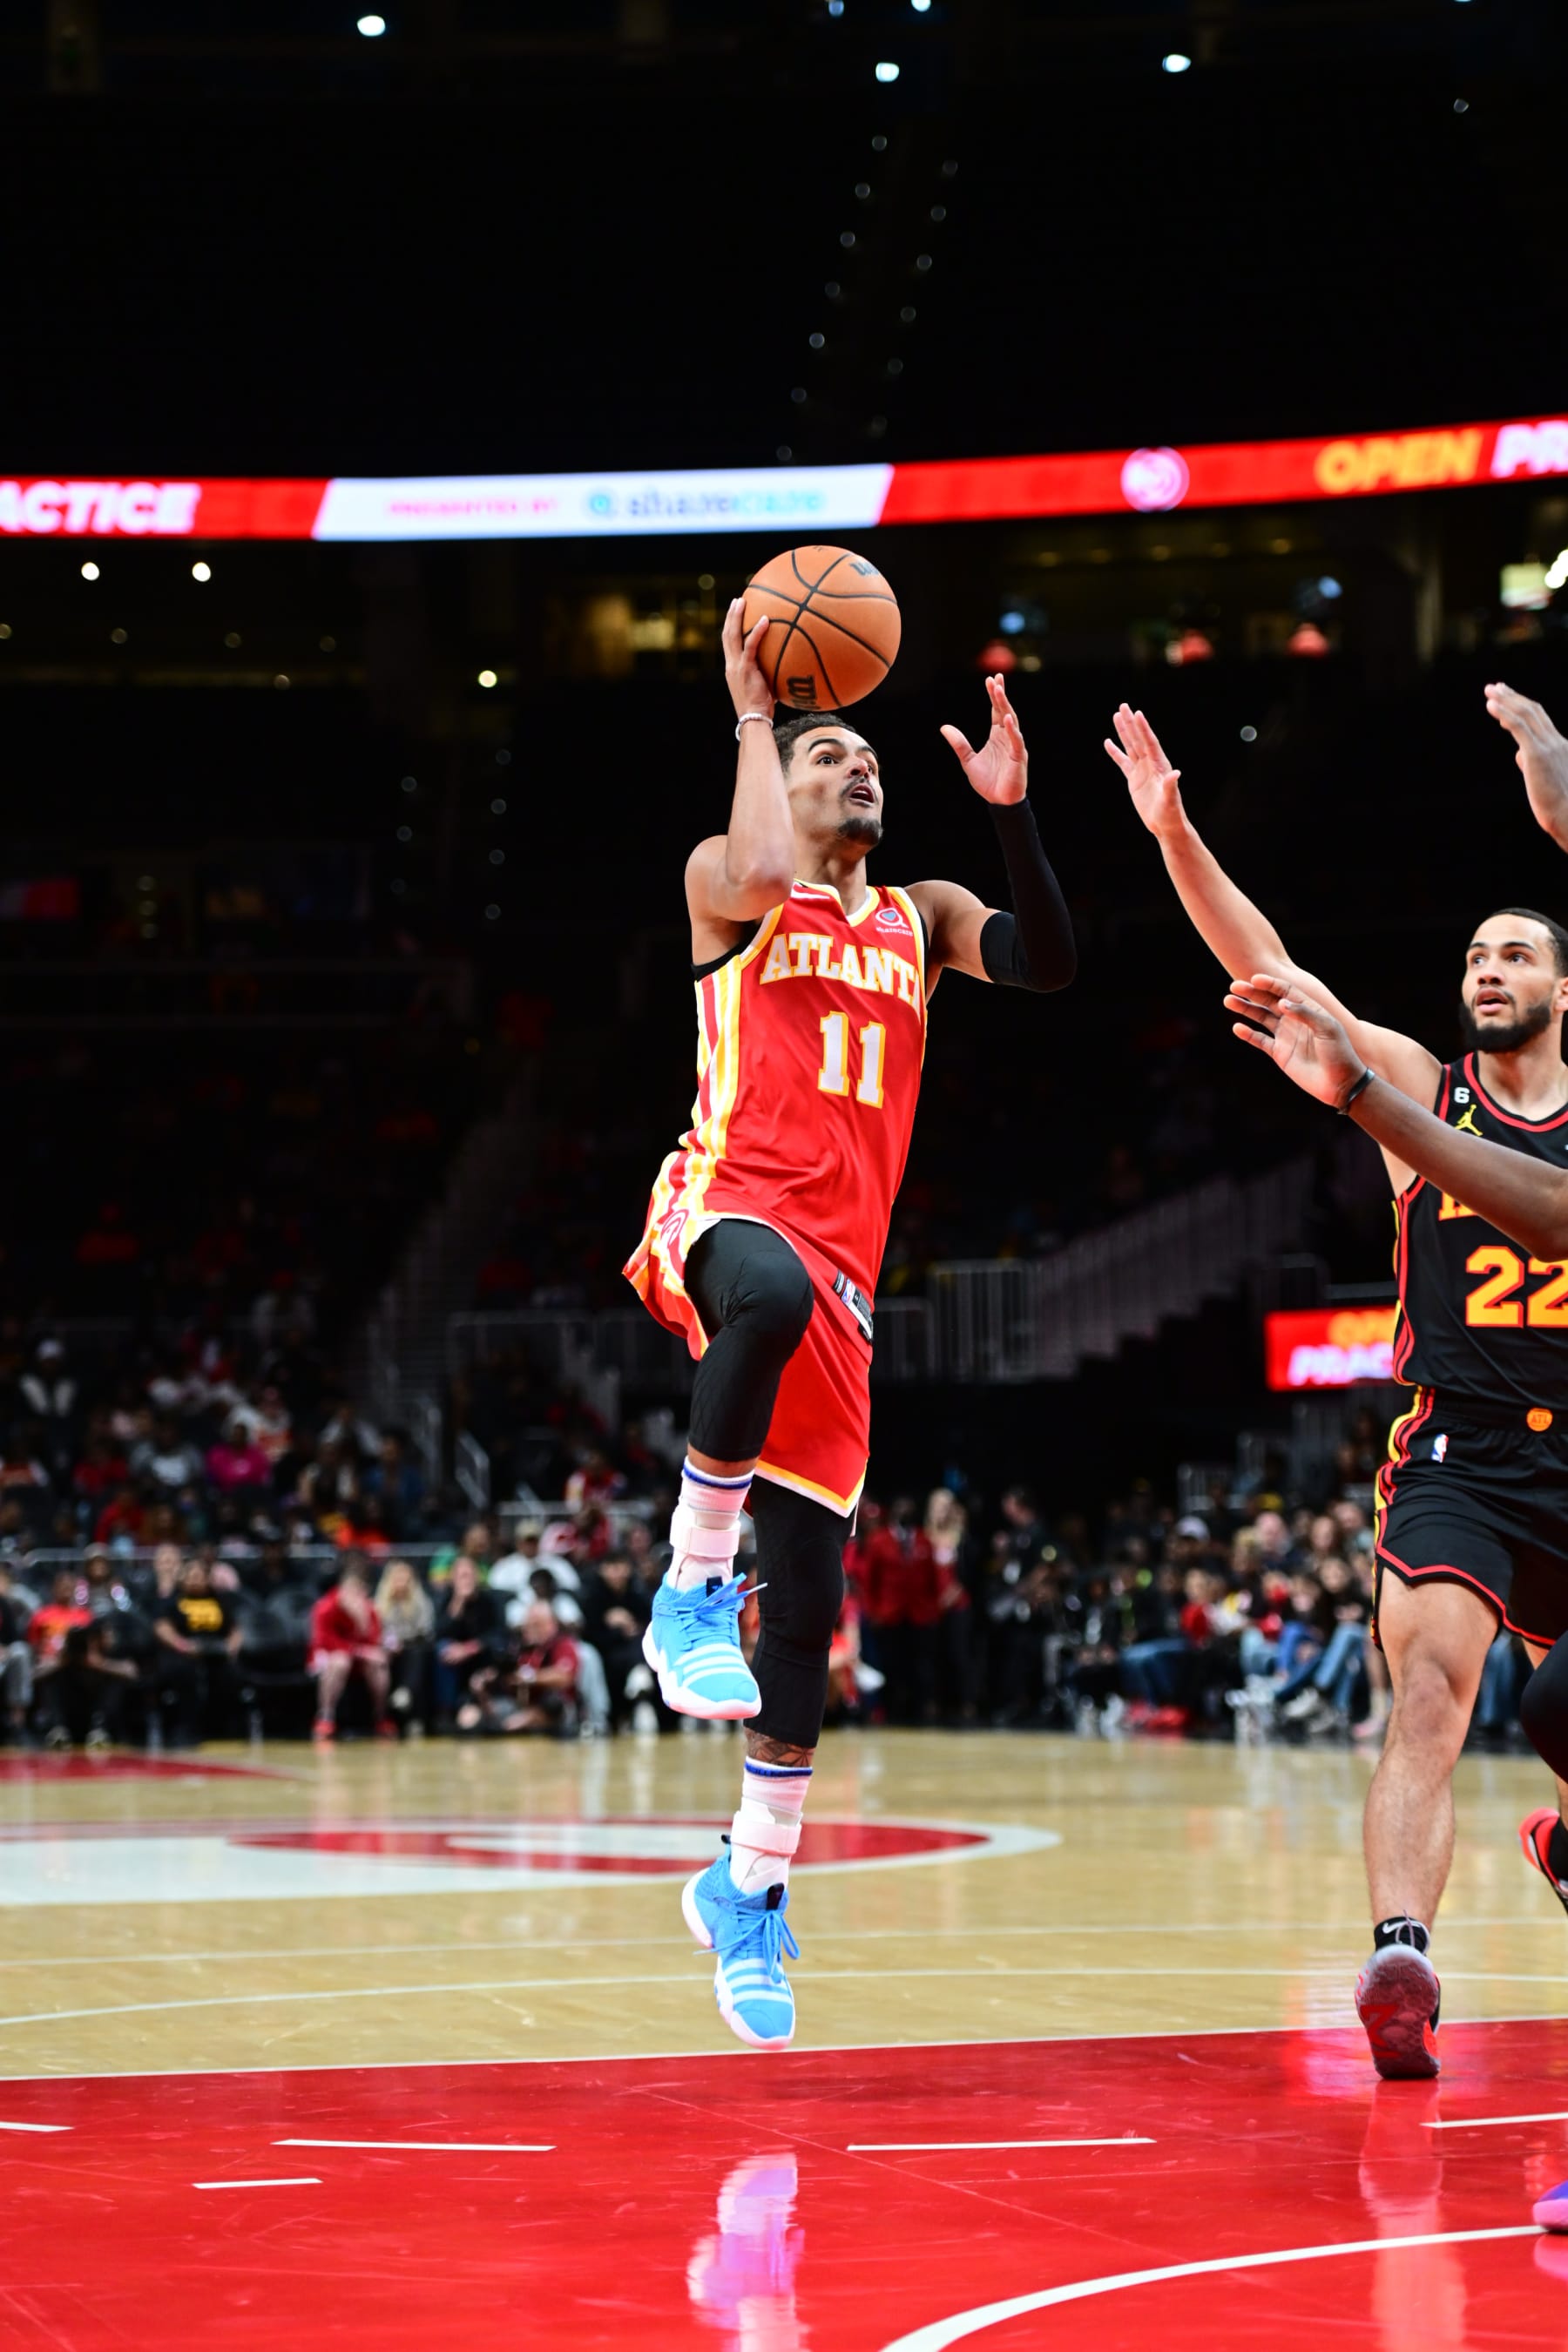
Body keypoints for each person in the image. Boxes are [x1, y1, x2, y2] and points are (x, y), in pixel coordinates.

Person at [622, 601, 1076, 2047]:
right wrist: (754, 714)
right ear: (780, 777)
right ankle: (689, 1585)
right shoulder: (730, 883)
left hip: (847, 1278)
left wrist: (1010, 821)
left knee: (810, 1615)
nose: (858, 770)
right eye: (833, 756)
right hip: (720, 1205)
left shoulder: (922, 917)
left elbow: (1055, 963)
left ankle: (748, 1887)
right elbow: (759, 857)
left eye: (869, 754)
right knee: (761, 1287)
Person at [1115, 679, 1568, 2078]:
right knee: (1427, 1686)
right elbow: (1269, 966)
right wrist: (1176, 832)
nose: (1485, 970)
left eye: (1516, 955)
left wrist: (1558, 785)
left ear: (1564, 987)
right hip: (1463, 1452)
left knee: (1555, 1726)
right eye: (1475, 956)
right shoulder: (1422, 1090)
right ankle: (1403, 1954)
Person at [308, 1563, 395, 1741]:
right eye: (351, 1591)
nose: (356, 1596)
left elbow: (375, 1642)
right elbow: (324, 1641)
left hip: (357, 1660)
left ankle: (381, 1716)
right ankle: (325, 1717)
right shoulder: (325, 1607)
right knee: (340, 1661)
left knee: (378, 1663)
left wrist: (362, 1623)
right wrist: (359, 1650)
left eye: (359, 1592)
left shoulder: (368, 1609)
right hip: (328, 1658)